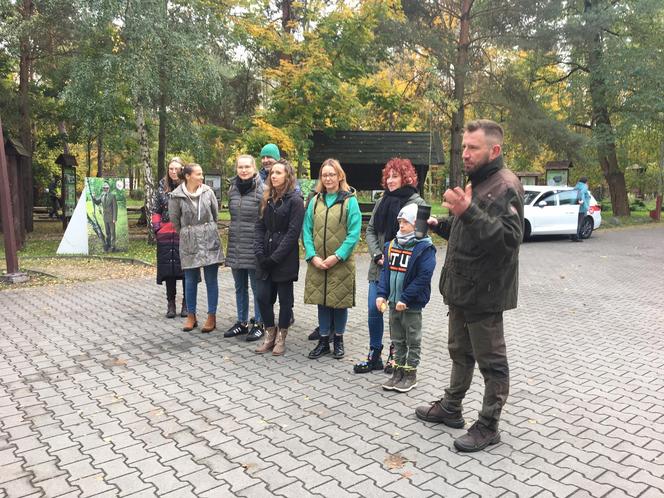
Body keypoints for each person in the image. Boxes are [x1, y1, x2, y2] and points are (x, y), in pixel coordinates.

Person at [415, 119, 524, 453]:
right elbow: (471, 231)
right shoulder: (478, 182)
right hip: (462, 289)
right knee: (459, 353)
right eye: (463, 146)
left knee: (492, 363)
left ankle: (489, 426)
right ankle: (451, 407)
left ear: (494, 150)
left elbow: (509, 240)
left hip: (485, 294)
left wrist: (468, 211)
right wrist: (442, 224)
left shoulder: (506, 185)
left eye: (472, 147)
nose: (465, 153)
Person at [354, 158, 427, 375]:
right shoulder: (382, 200)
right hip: (380, 266)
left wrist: (397, 255)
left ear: (407, 177)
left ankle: (396, 356)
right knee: (373, 309)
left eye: (396, 176)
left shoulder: (418, 202)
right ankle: (374, 353)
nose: (391, 180)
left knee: (399, 315)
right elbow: (370, 231)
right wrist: (378, 254)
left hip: (403, 270)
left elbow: (422, 238)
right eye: (389, 176)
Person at [303, 159, 362, 360]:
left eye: (332, 174)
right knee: (322, 301)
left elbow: (353, 234)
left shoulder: (350, 201)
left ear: (339, 176)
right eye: (325, 175)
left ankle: (338, 340)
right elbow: (306, 231)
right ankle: (323, 340)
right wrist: (312, 256)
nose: (328, 178)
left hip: (341, 262)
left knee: (339, 302)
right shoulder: (315, 201)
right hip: (318, 261)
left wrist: (337, 256)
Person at [375, 203, 436, 392]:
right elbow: (385, 273)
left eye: (406, 222)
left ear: (417, 224)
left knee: (412, 339)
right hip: (393, 303)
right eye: (400, 222)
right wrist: (381, 294)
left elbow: (423, 277)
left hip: (410, 305)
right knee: (397, 339)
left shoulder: (424, 248)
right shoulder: (391, 245)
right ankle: (398, 372)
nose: (401, 226)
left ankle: (411, 374)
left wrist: (406, 298)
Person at [253, 160, 304, 356]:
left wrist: (275, 258)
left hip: (284, 258)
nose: (273, 176)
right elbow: (259, 226)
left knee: (285, 300)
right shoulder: (266, 198)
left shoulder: (295, 200)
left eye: (278, 173)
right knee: (263, 297)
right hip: (264, 255)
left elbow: (293, 233)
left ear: (287, 176)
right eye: (272, 173)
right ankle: (269, 334)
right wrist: (259, 252)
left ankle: (281, 338)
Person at [169, 163, 224, 333]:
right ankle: (191, 316)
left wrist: (206, 229)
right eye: (198, 174)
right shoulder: (176, 196)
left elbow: (215, 215)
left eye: (202, 174)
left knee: (211, 279)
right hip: (189, 241)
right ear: (187, 176)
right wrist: (188, 233)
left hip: (209, 239)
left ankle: (211, 316)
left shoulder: (208, 192)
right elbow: (175, 221)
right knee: (190, 279)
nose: (201, 177)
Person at [225, 154, 265, 340]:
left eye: (247, 167)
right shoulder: (232, 189)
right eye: (240, 167)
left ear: (254, 168)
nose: (243, 170)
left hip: (254, 247)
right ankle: (241, 322)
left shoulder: (262, 190)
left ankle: (259, 323)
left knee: (257, 288)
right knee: (240, 287)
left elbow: (265, 222)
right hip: (235, 246)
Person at [152, 157, 187, 318]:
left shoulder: (188, 186)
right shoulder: (161, 187)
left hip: (184, 233)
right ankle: (171, 303)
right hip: (166, 234)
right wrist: (157, 228)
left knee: (186, 269)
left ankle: (187, 303)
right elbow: (156, 209)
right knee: (169, 270)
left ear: (182, 169)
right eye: (171, 168)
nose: (173, 171)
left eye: (177, 168)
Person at [91, 181, 118, 252]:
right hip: (105, 217)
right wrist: (93, 197)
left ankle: (113, 247)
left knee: (112, 232)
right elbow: (97, 202)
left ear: (109, 188)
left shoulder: (112, 196)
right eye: (104, 188)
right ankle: (108, 245)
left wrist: (114, 218)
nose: (105, 189)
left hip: (111, 217)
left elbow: (115, 208)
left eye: (106, 188)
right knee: (107, 232)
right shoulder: (102, 195)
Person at [571, 177, 591, 242]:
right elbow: (582, 195)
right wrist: (586, 207)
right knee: (579, 222)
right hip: (582, 208)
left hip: (575, 207)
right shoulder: (584, 186)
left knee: (575, 222)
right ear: (586, 182)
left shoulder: (576, 186)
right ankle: (576, 237)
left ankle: (573, 235)